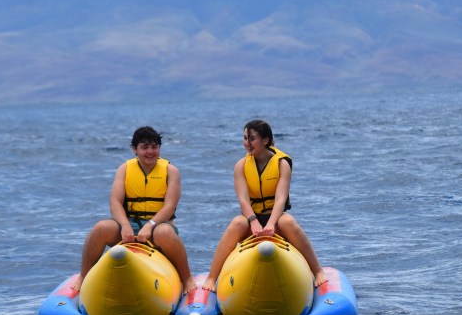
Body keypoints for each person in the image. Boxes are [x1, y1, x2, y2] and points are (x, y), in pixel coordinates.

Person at [202, 120, 328, 291]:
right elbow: (243, 200)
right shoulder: (241, 166)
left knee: (288, 222)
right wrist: (253, 221)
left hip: (275, 220)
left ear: (265, 140)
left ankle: (318, 271)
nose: (247, 143)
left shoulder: (281, 163)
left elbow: (281, 199)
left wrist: (271, 223)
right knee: (237, 223)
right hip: (252, 220)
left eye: (252, 139)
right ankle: (212, 278)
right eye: (245, 138)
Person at [75, 126, 197, 294]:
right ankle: (84, 276)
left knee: (165, 233)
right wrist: (124, 225)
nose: (150, 152)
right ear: (135, 149)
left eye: (154, 147)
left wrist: (150, 225)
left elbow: (170, 206)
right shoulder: (124, 169)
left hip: (159, 227)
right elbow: (115, 202)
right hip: (129, 226)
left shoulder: (171, 171)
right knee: (101, 228)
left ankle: (187, 278)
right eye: (144, 147)